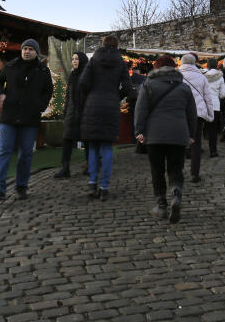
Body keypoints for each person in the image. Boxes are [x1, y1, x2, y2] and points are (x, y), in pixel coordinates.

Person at [0, 39, 54, 201]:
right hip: (9, 116)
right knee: (4, 151)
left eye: (31, 49)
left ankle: (21, 186)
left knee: (25, 154)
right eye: (25, 48)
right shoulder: (10, 67)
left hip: (29, 119)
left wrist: (40, 105)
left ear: (36, 53)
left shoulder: (43, 71)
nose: (27, 51)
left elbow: (48, 91)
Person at [134, 54, 195, 223]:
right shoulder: (184, 88)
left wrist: (139, 130)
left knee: (157, 170)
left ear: (156, 68)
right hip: (178, 133)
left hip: (155, 134)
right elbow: (192, 114)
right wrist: (191, 134)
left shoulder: (148, 85)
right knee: (176, 168)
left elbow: (141, 110)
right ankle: (176, 193)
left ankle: (161, 205)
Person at [79, 35, 135, 201]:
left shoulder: (94, 60)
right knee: (106, 147)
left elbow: (82, 82)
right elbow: (128, 87)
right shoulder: (120, 62)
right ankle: (104, 187)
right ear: (117, 46)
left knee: (93, 147)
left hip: (93, 105)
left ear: (102, 44)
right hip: (111, 105)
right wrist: (117, 96)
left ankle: (91, 183)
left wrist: (90, 95)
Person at [178, 53, 215, 183]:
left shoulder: (177, 76)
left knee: (179, 144)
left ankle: (178, 173)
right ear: (194, 63)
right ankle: (195, 173)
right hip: (198, 113)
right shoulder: (201, 77)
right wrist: (210, 115)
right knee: (196, 143)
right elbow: (207, 98)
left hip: (181, 113)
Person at [54, 51, 89, 178]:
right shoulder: (72, 75)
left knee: (87, 140)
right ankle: (65, 168)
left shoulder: (88, 75)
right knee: (67, 140)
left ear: (82, 61)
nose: (74, 61)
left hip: (84, 113)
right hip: (71, 113)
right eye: (73, 59)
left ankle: (90, 165)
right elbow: (68, 96)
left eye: (77, 59)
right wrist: (65, 114)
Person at [203, 58, 225, 157]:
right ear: (217, 65)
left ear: (207, 65)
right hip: (215, 106)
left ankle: (194, 150)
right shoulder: (220, 77)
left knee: (198, 128)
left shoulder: (202, 76)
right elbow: (223, 94)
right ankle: (213, 151)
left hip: (203, 105)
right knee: (213, 130)